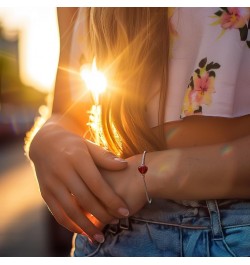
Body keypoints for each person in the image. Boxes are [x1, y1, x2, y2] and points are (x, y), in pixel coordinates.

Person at [27, 7, 250, 256]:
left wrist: (146, 175)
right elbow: (70, 110)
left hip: (239, 230)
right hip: (111, 234)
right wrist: (49, 136)